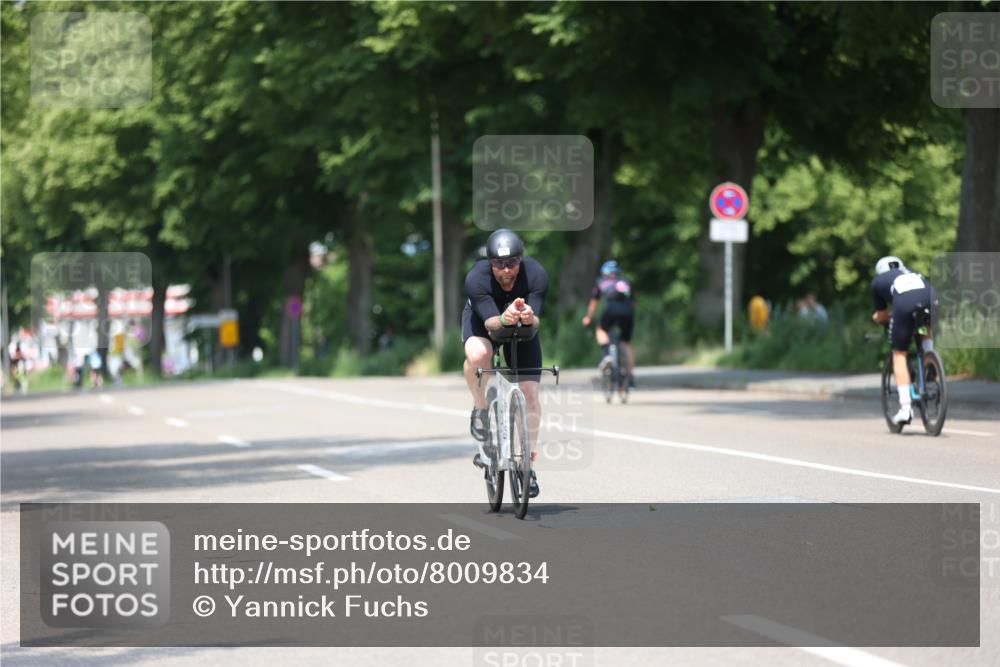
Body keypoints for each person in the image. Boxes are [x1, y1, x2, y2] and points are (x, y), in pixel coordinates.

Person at [462, 228, 548, 498]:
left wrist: (529, 317)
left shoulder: (536, 274)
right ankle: (480, 408)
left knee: (530, 395)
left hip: (522, 329)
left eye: (512, 262)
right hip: (484, 323)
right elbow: (491, 325)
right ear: (490, 263)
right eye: (499, 264)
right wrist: (504, 318)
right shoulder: (476, 278)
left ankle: (527, 467)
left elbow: (535, 323)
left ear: (521, 259)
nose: (507, 270)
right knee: (479, 356)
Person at [870, 256, 937, 425]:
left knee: (899, 354)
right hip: (931, 299)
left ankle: (906, 409)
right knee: (924, 327)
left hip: (905, 305)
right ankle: (930, 359)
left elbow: (882, 315)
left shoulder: (878, 281)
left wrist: (878, 318)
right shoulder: (912, 272)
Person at [581, 260, 635, 387]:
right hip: (628, 311)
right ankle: (631, 379)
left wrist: (588, 318)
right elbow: (633, 301)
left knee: (601, 329)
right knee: (626, 343)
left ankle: (607, 355)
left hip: (612, 309)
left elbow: (594, 303)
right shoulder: (626, 282)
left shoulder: (601, 282)